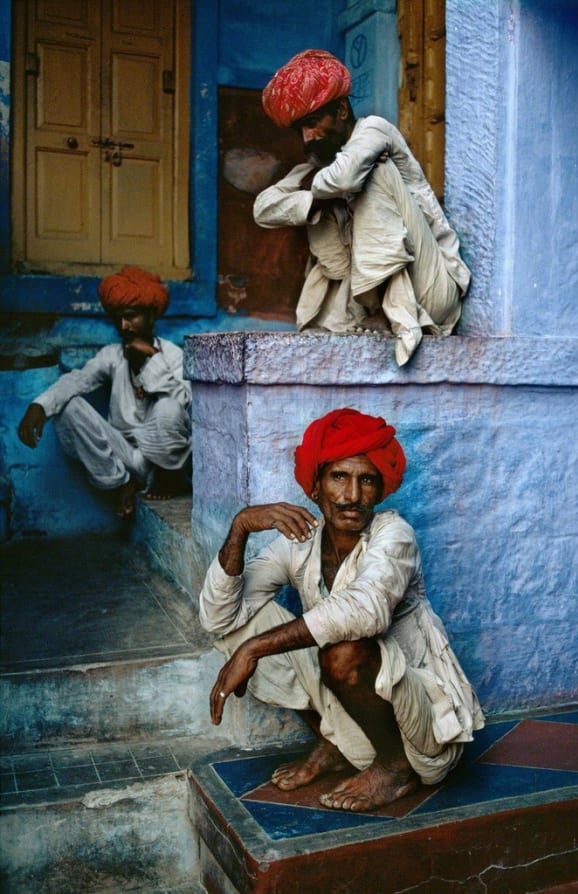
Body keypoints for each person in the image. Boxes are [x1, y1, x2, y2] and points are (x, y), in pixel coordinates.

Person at [200, 408, 484, 812]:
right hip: (353, 708)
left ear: (380, 488)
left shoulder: (393, 535)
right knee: (242, 627)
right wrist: (241, 527)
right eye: (339, 477)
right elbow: (218, 618)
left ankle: (394, 768)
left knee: (343, 649)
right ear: (315, 488)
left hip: (424, 725)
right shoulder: (301, 541)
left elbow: (365, 611)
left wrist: (254, 651)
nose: (352, 496)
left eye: (366, 480)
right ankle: (336, 743)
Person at [253, 50, 471, 367]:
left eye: (313, 123)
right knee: (318, 201)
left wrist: (316, 189)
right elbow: (263, 208)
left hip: (431, 295)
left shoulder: (375, 130)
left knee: (370, 174)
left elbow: (344, 178)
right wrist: (314, 198)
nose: (307, 137)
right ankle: (373, 309)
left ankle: (398, 316)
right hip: (362, 309)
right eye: (299, 129)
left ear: (341, 110)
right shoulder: (317, 166)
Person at [17, 266, 192, 518]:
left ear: (151, 317)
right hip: (123, 455)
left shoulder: (173, 355)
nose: (124, 326)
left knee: (169, 407)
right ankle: (123, 484)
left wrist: (150, 362)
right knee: (68, 407)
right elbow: (78, 380)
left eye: (131, 317)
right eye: (119, 318)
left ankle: (167, 479)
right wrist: (40, 406)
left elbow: (186, 405)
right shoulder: (112, 355)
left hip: (163, 463)